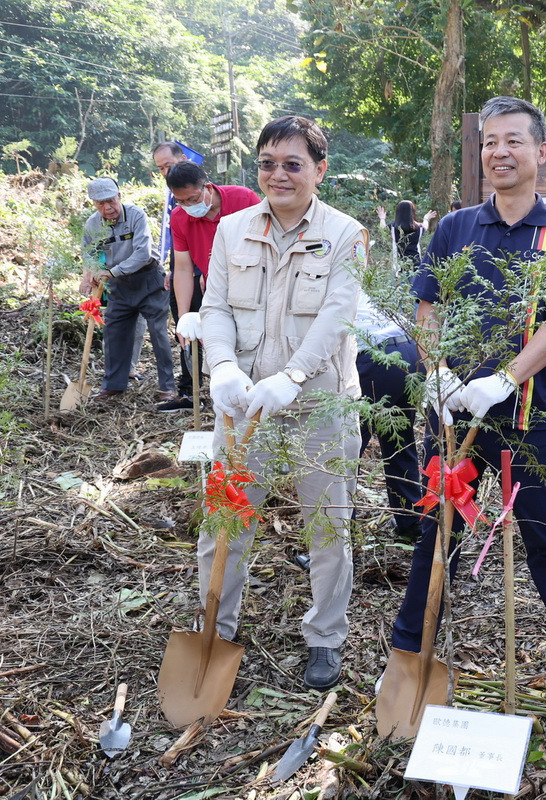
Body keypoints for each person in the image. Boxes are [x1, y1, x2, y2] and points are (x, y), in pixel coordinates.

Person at [387, 95, 546, 699]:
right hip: (454, 416)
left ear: (540, 152)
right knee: (438, 530)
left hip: (527, 417)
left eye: (513, 141)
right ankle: (411, 652)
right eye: (489, 143)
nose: (499, 152)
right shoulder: (455, 227)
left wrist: (505, 378)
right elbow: (428, 310)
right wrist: (441, 372)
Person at [200, 115, 365, 690]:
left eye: (293, 164)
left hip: (321, 404)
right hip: (244, 404)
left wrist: (293, 376)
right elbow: (215, 305)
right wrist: (220, 363)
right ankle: (213, 630)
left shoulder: (346, 233)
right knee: (225, 519)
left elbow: (337, 314)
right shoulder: (232, 229)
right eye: (268, 163)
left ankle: (325, 637)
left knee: (327, 526)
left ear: (320, 170)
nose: (278, 174)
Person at [160, 160, 261, 411]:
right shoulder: (180, 217)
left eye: (193, 199)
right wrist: (184, 317)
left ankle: (259, 400)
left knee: (255, 349)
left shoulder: (244, 199)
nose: (188, 206)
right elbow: (182, 268)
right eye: (180, 201)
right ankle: (231, 409)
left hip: (255, 290)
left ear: (207, 186)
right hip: (215, 295)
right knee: (224, 349)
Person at [81, 177, 176, 403]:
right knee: (114, 333)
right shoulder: (92, 225)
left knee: (158, 332)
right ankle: (113, 386)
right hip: (118, 287)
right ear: (94, 204)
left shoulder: (135, 215)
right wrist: (90, 275)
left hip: (149, 280)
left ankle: (168, 387)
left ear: (119, 197)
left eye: (111, 201)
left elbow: (142, 254)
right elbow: (89, 255)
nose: (107, 208)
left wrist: (111, 272)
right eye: (100, 204)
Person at [354, 291, 421, 541]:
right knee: (399, 442)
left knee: (346, 451)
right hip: (407, 350)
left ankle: (340, 540)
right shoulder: (355, 283)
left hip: (372, 357)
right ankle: (412, 524)